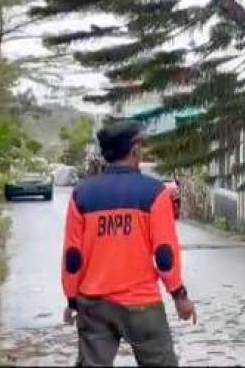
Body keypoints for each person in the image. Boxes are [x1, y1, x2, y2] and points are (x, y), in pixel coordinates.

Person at [61, 120, 196, 366]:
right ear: (134, 149)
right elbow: (165, 255)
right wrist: (179, 295)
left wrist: (71, 299)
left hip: (93, 304)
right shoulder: (154, 193)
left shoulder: (82, 194)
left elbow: (72, 257)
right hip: (142, 304)